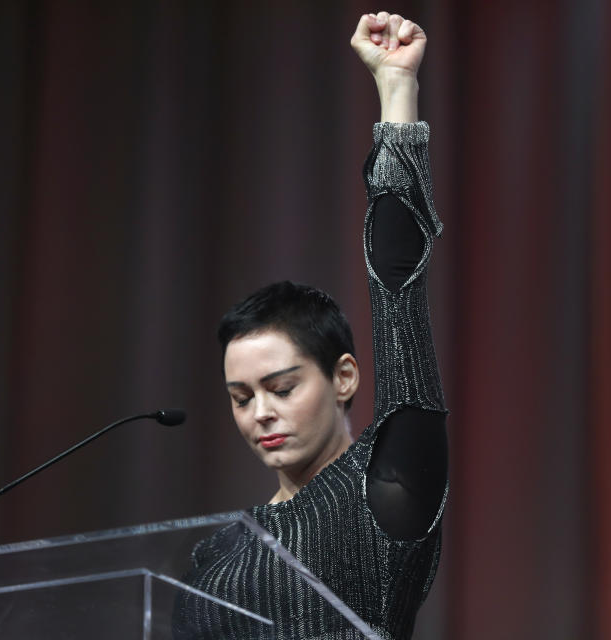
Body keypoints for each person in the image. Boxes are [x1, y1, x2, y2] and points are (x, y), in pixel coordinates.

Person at [174, 12, 449, 640]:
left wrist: (397, 89)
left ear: (344, 376)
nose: (259, 413)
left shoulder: (386, 492)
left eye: (282, 387)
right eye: (240, 399)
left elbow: (398, 286)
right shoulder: (213, 554)